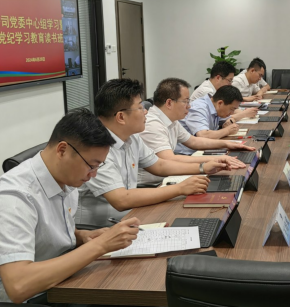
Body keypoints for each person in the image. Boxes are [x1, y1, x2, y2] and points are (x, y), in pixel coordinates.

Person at [0, 109, 140, 303]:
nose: (94, 174)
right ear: (62, 150)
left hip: (61, 281)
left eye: (99, 166)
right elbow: (18, 285)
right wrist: (100, 245)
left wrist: (81, 236)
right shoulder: (12, 197)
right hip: (29, 298)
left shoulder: (66, 178)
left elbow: (45, 232)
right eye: (91, 165)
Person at [75, 79, 218, 228]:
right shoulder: (96, 147)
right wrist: (180, 188)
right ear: (121, 117)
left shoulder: (132, 137)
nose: (146, 111)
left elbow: (159, 165)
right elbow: (121, 199)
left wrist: (203, 167)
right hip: (102, 228)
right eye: (140, 107)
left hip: (132, 215)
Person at [139, 78, 256, 186]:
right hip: (152, 185)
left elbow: (193, 141)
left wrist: (226, 144)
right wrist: (215, 159)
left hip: (167, 177)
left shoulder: (172, 120)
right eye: (185, 102)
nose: (189, 106)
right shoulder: (152, 124)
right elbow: (170, 159)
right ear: (169, 103)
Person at [175, 85, 243, 155]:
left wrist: (229, 120)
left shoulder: (215, 107)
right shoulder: (199, 108)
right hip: (187, 153)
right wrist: (227, 131)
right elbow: (203, 135)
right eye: (232, 109)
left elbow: (227, 119)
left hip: (201, 149)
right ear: (220, 103)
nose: (232, 113)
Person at [191, 61, 258, 120]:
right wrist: (244, 114)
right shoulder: (207, 92)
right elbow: (221, 117)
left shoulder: (215, 89)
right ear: (218, 78)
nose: (230, 84)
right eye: (229, 80)